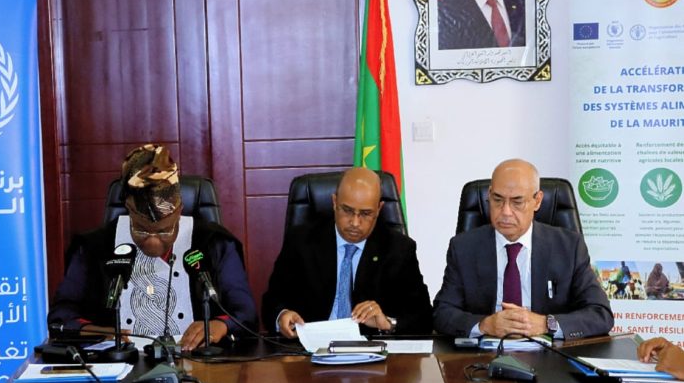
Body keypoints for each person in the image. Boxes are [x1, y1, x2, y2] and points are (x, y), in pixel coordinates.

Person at [48, 144, 256, 351]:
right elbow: (61, 316)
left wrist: (220, 325)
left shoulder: (215, 243)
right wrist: (98, 333)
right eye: (141, 230)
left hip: (197, 360)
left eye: (165, 231)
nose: (153, 242)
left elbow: (245, 313)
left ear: (179, 210)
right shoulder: (93, 247)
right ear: (128, 210)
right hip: (119, 361)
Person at [433, 159, 613, 339]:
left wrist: (545, 324)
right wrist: (484, 325)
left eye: (517, 202)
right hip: (484, 351)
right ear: (489, 195)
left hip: (549, 352)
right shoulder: (463, 247)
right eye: (497, 200)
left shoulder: (569, 247)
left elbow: (600, 313)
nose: (505, 212)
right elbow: (442, 313)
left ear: (537, 201)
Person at [262, 167, 433, 337]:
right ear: (334, 202)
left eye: (365, 213)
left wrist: (388, 323)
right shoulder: (301, 241)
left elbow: (423, 317)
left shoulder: (399, 249)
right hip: (309, 347)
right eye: (348, 210)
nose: (355, 223)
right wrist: (282, 316)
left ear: (379, 209)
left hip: (370, 348)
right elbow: (272, 301)